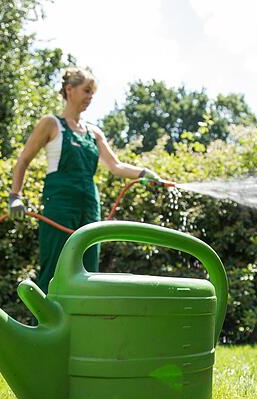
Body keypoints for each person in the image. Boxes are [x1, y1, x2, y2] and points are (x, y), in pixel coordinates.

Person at [8, 67, 160, 293]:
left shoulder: (93, 132)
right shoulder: (51, 124)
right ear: (69, 90)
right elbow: (23, 160)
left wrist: (143, 173)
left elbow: (115, 166)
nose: (90, 97)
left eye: (93, 93)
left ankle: (81, 325)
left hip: (89, 207)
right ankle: (43, 324)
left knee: (88, 272)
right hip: (60, 205)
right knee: (55, 267)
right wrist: (15, 196)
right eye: (86, 91)